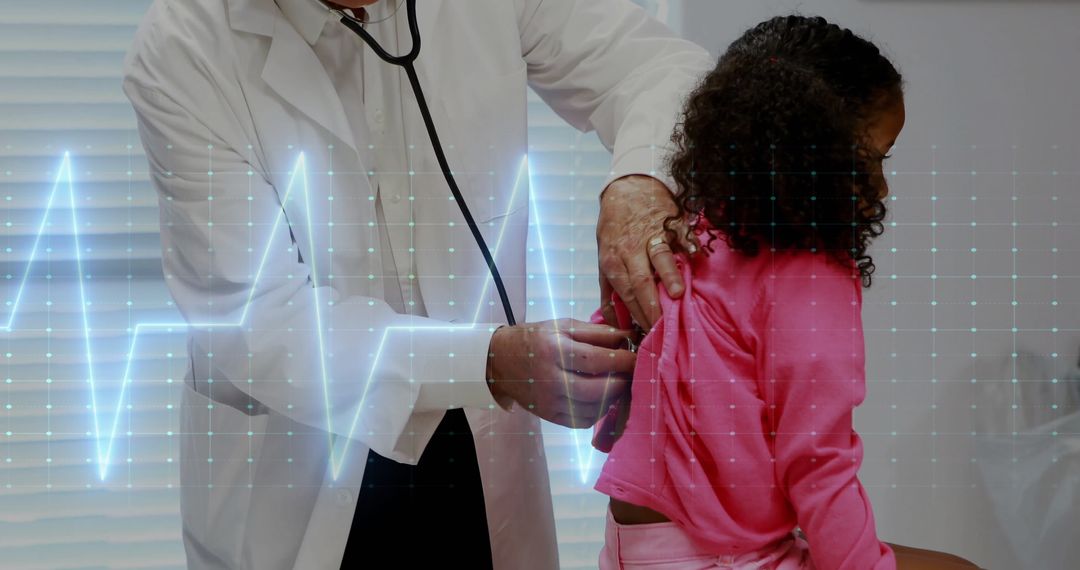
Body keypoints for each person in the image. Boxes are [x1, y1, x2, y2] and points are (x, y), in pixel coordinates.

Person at [121, 0, 711, 568]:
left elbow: (662, 66)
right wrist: (489, 360)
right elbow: (262, 322)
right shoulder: (184, 44)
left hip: (480, 453)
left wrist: (639, 181)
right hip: (296, 461)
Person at [591, 14, 979, 570]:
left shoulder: (681, 238)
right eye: (874, 159)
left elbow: (618, 369)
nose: (884, 186)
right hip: (721, 557)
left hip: (630, 547)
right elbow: (818, 463)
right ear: (812, 160)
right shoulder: (813, 275)